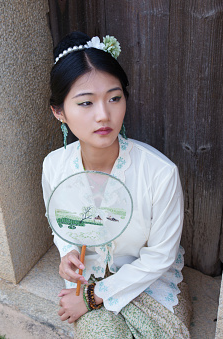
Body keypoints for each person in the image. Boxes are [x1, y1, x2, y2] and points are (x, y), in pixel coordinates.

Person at [42, 31, 192, 338]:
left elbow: (160, 257)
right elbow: (61, 222)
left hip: (150, 283)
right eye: (86, 103)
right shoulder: (54, 166)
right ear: (59, 112)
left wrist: (92, 297)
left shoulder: (159, 173)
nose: (104, 115)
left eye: (114, 98)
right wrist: (67, 253)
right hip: (89, 274)